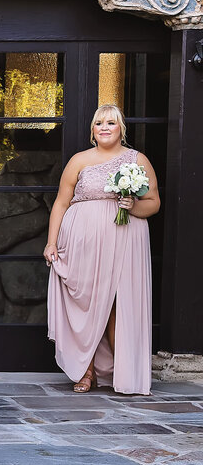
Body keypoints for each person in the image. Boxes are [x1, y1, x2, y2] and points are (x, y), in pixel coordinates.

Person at [45, 104, 159, 395]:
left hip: (124, 242)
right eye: (99, 123)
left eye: (111, 122)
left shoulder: (138, 160)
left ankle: (123, 372)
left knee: (116, 306)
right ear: (92, 130)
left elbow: (154, 203)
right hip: (83, 246)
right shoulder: (79, 160)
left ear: (121, 128)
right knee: (88, 305)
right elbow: (61, 203)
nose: (105, 127)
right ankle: (85, 371)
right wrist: (51, 242)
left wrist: (132, 205)